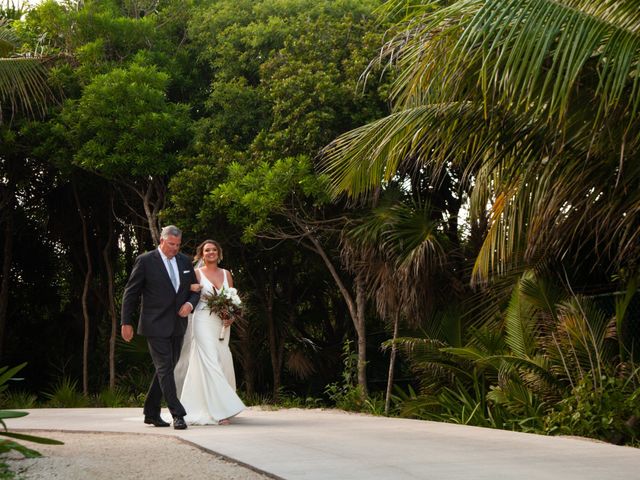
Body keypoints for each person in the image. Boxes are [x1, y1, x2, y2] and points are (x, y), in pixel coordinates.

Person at [120, 225, 200, 430]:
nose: (175, 248)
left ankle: (151, 412)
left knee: (166, 368)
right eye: (171, 244)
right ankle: (178, 414)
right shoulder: (146, 261)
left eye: (178, 245)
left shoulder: (184, 261)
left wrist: (189, 304)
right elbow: (131, 293)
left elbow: (195, 290)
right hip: (154, 324)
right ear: (162, 241)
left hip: (178, 324)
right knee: (165, 367)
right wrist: (125, 322)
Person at [174, 239, 245, 425]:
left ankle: (212, 403)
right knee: (210, 360)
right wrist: (190, 288)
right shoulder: (196, 273)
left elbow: (232, 299)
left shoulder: (226, 274)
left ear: (219, 253)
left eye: (214, 249)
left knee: (221, 359)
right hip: (203, 320)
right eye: (207, 250)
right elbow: (186, 293)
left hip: (221, 323)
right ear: (202, 254)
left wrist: (231, 316)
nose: (211, 252)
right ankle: (221, 411)